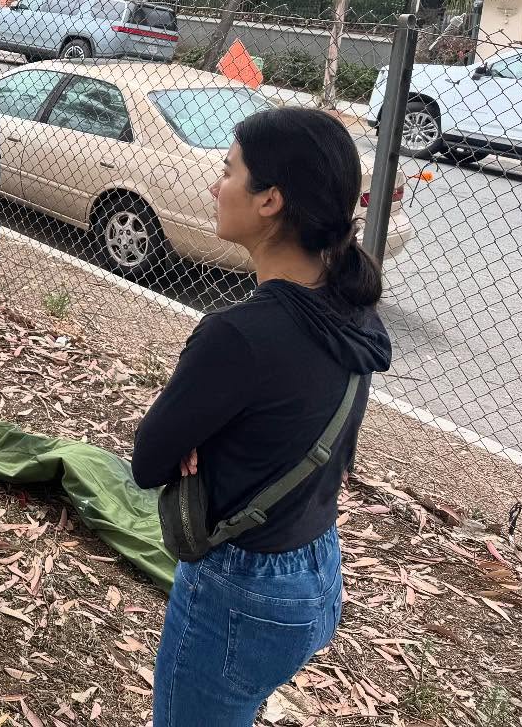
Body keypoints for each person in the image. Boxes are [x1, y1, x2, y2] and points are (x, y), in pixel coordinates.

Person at [132, 107, 392, 727]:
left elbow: (148, 463)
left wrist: (199, 436)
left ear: (271, 199)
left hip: (242, 588)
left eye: (227, 171)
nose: (215, 185)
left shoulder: (239, 337)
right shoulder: (352, 311)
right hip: (317, 569)